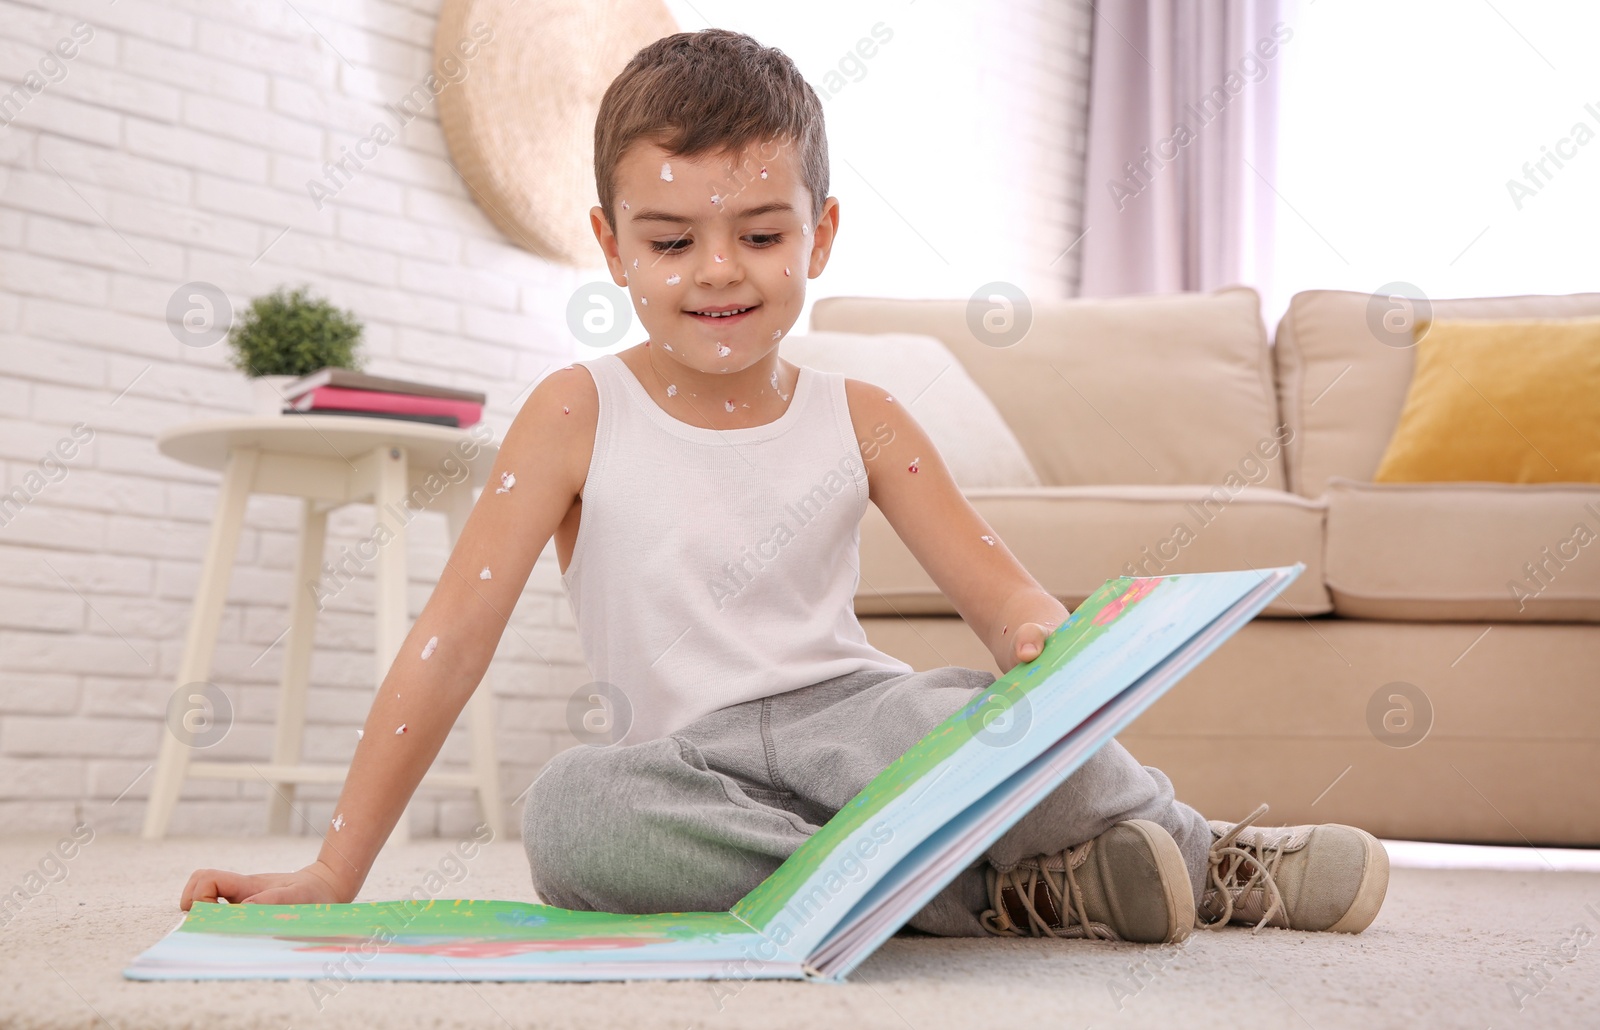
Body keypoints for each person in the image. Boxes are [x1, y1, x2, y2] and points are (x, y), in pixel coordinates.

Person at [181, 28, 1388, 944]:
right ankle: (1004, 891)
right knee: (570, 819)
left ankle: (1210, 857)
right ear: (610, 246)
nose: (718, 272)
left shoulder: (863, 418)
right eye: (670, 241)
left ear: (820, 235)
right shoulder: (570, 411)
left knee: (968, 711)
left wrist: (1059, 656)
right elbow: (449, 640)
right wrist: (337, 869)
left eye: (760, 234)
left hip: (854, 728)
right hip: (684, 767)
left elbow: (1003, 603)